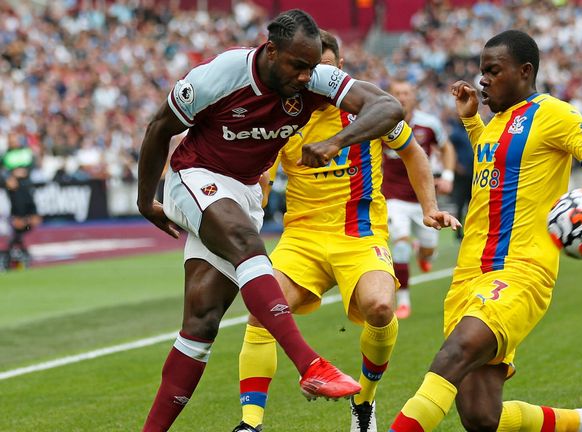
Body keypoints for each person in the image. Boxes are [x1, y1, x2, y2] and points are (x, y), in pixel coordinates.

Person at [136, 10, 407, 432]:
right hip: (195, 176)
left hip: (243, 192)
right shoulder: (222, 73)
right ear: (271, 50)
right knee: (248, 245)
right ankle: (310, 362)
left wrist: (338, 141)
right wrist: (144, 199)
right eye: (298, 66)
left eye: (311, 67)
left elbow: (388, 107)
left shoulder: (313, 78)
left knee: (202, 323)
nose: (305, 77)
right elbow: (158, 129)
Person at [388, 30, 582, 432]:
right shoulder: (493, 125)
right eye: (481, 72)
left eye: (493, 71)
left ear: (525, 71)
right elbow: (495, 167)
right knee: (480, 417)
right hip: (467, 275)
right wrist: (471, 120)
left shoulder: (554, 115)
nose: (483, 80)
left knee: (453, 355)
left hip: (520, 272)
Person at [231, 30, 459, 432]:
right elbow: (261, 174)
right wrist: (253, 203)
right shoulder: (282, 113)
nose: (310, 78)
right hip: (302, 237)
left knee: (381, 307)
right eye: (302, 69)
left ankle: (364, 402)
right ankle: (251, 424)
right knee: (261, 309)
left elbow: (412, 151)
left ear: (339, 71)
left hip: (359, 232)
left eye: (320, 68)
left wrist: (429, 208)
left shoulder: (366, 111)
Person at [383, 80, 457, 319]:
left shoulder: (429, 123)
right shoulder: (381, 123)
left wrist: (447, 176)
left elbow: (447, 149)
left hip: (425, 200)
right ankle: (403, 301)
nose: (402, 97)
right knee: (400, 246)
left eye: (406, 93)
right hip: (393, 198)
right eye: (397, 93)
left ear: (414, 97)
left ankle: (424, 253)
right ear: (390, 96)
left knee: (428, 251)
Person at [2, 135, 41, 269]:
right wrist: (8, 178)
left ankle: (16, 247)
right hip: (14, 191)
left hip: (26, 188)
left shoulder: (26, 152)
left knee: (32, 220)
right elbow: (3, 171)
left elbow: (32, 166)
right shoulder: (6, 155)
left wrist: (22, 172)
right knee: (17, 221)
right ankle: (14, 250)